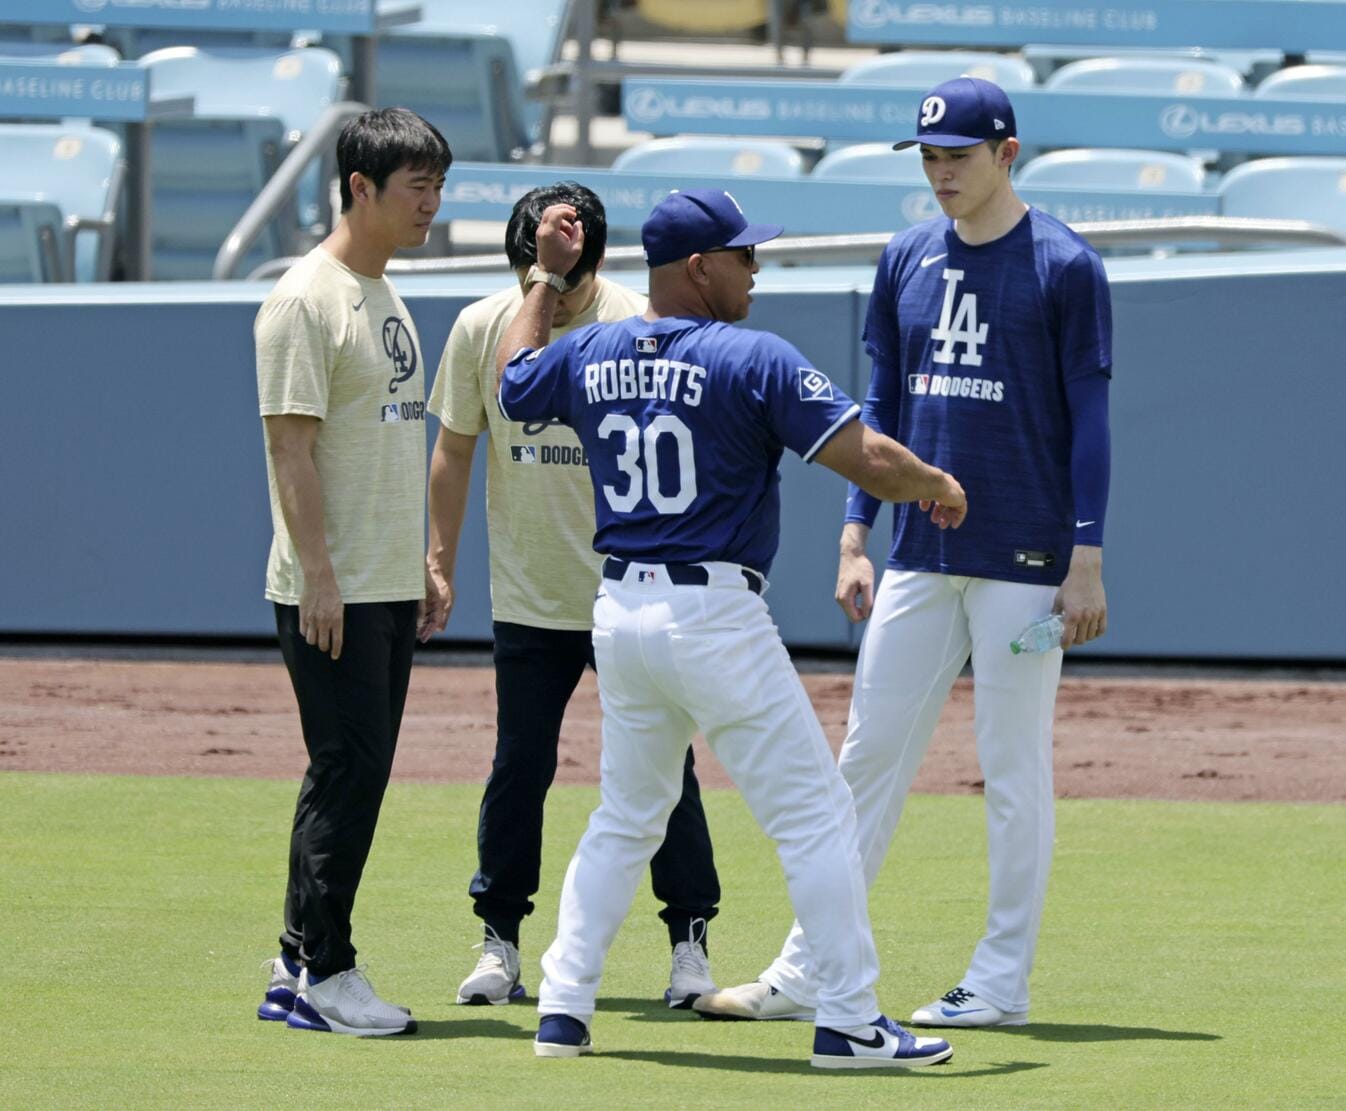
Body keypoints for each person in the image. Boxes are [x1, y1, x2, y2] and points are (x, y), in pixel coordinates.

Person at [494, 188, 966, 1069]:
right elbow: (862, 455)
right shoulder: (751, 356)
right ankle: (854, 1020)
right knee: (818, 813)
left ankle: (562, 1005)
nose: (756, 267)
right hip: (711, 611)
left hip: (622, 612)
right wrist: (936, 483)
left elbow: (515, 384)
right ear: (698, 267)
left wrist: (544, 279)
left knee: (626, 817)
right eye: (744, 254)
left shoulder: (589, 346)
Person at [697, 76, 1112, 1029]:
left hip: (1026, 555)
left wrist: (1086, 552)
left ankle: (1001, 979)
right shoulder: (905, 257)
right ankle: (810, 968)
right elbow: (877, 413)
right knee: (865, 757)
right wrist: (855, 530)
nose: (939, 173)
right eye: (927, 157)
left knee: (1012, 769)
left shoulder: (1065, 264)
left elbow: (1091, 419)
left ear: (1007, 153)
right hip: (921, 548)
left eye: (956, 156)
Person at [422, 182, 722, 1010]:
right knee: (520, 766)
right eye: (533, 277)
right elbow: (453, 448)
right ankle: (500, 943)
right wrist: (437, 558)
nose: (547, 298)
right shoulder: (485, 325)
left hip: (631, 594)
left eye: (562, 280)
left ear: (591, 265)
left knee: (667, 770)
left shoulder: (635, 320)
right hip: (529, 595)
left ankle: (689, 943)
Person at [253, 107, 451, 1037]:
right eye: (417, 188)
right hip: (332, 591)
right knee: (350, 769)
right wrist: (320, 576)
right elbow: (290, 452)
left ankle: (296, 961)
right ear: (360, 188)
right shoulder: (305, 299)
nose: (432, 206)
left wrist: (418, 559)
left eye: (438, 187)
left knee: (348, 771)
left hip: (384, 582)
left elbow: (381, 447)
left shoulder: (387, 295)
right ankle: (326, 972)